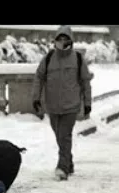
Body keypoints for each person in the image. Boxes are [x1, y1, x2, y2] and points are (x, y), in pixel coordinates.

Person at [32, 25, 93, 181]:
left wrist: (87, 103)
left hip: (71, 106)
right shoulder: (49, 58)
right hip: (52, 106)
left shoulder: (78, 59)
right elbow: (39, 77)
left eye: (66, 39)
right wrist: (36, 98)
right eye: (60, 39)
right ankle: (69, 161)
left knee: (64, 136)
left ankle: (62, 168)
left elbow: (86, 82)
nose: (63, 41)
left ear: (71, 40)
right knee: (60, 137)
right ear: (56, 40)